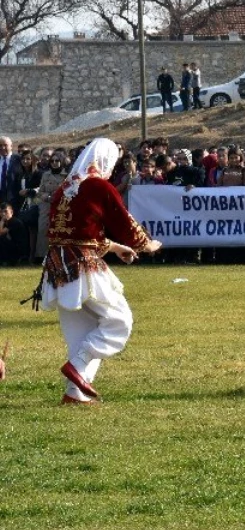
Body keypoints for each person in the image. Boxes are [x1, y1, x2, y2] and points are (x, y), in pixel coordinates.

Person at [32, 138, 162, 404]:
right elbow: (124, 221)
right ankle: (77, 365)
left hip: (58, 268)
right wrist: (147, 244)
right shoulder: (98, 186)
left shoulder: (64, 188)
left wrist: (114, 248)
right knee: (119, 320)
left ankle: (75, 391)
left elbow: (79, 233)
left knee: (80, 331)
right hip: (82, 266)